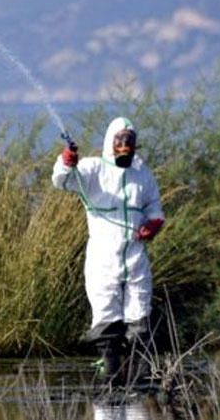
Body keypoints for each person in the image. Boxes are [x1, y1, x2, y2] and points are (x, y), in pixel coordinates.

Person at [52, 117, 165, 388]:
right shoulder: (92, 169)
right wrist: (66, 162)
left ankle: (140, 384)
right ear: (109, 142)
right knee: (106, 321)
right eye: (120, 140)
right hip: (103, 258)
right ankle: (109, 381)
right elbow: (62, 181)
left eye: (130, 140)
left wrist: (154, 221)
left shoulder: (142, 173)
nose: (125, 145)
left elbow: (153, 204)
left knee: (140, 320)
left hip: (136, 258)